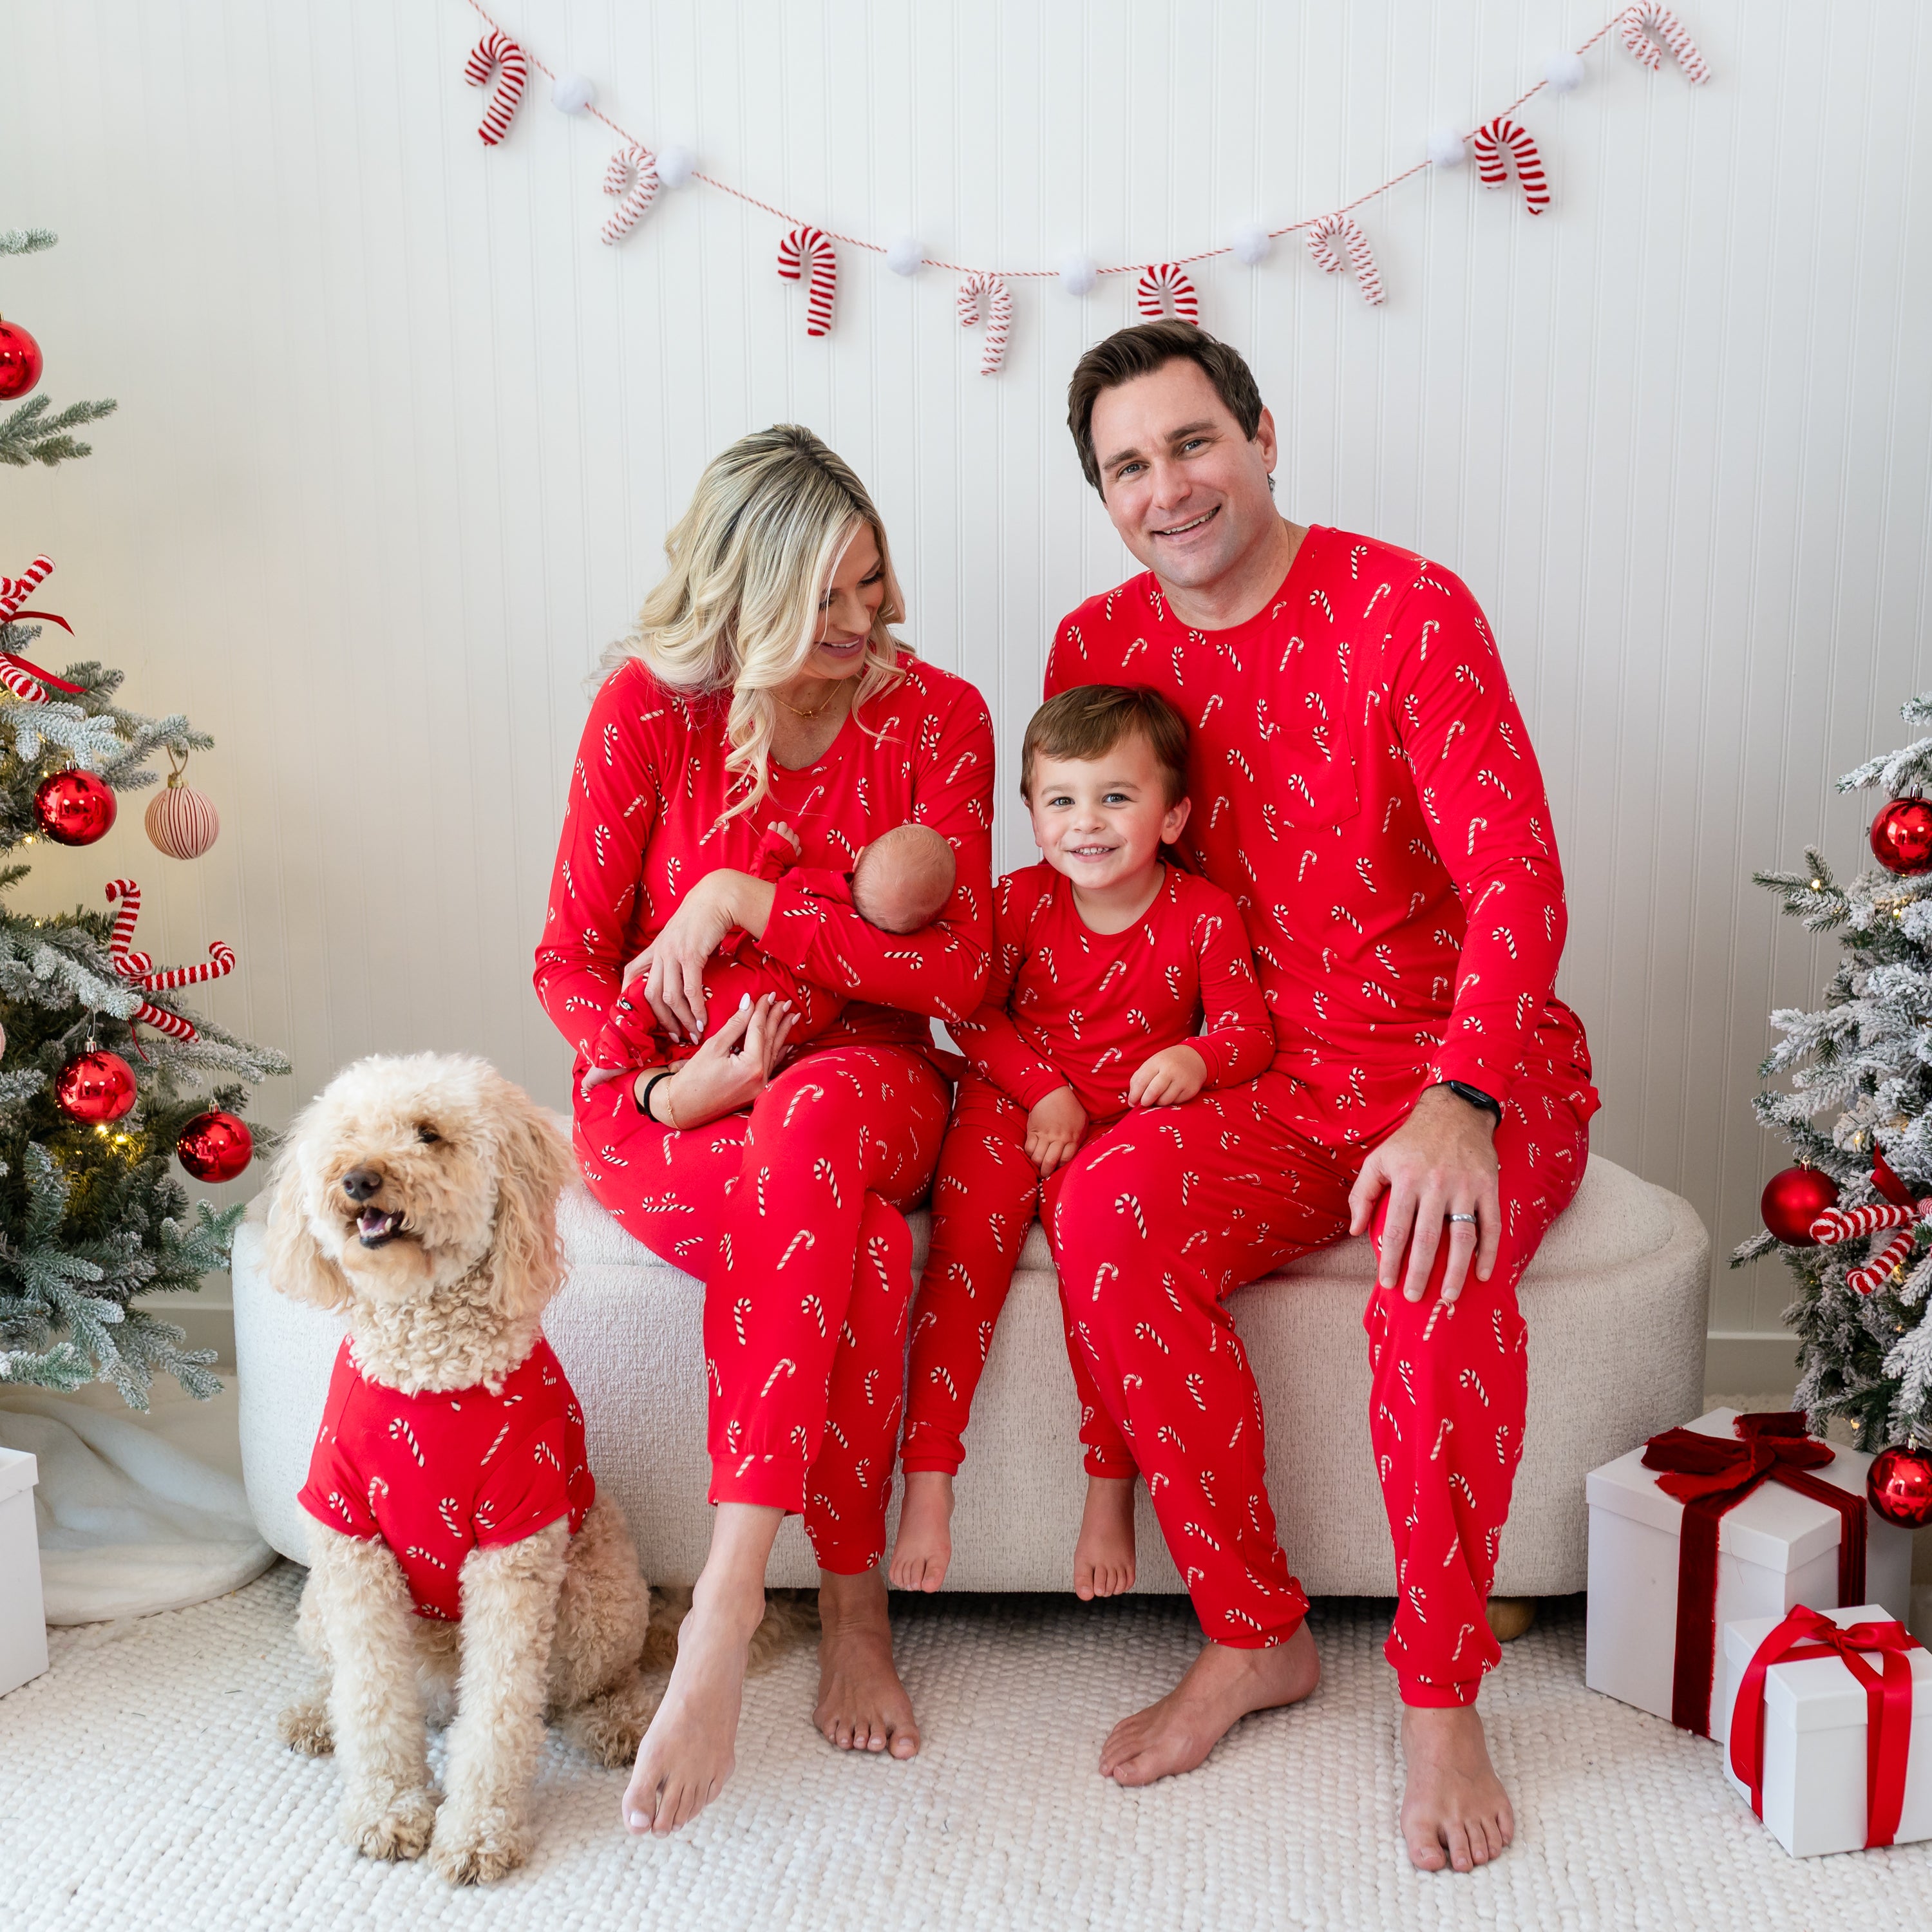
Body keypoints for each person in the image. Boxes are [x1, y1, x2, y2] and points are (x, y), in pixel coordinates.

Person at [1043, 321, 1599, 1875]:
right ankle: (1252, 1628)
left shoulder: (1406, 606)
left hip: (1463, 1061)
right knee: (1106, 1207)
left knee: (1425, 1279)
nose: (1169, 486)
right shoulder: (1092, 644)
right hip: (1267, 1075)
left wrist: (1464, 1093)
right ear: (1103, 497)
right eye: (1128, 466)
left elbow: (1517, 879)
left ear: (1263, 433)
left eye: (1192, 441)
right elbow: (1110, 899)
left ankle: (1437, 1693)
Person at [534, 425, 994, 1835]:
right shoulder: (645, 714)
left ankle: (728, 1605)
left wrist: (744, 897)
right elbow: (566, 961)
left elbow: (965, 976)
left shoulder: (940, 718)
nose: (869, 621)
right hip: (672, 1105)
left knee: (821, 1116)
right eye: (830, 597)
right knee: (842, 1235)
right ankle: (850, 1610)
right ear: (745, 594)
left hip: (871, 1083)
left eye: (875, 583)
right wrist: (672, 1087)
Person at [889, 685, 1273, 1600]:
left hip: (1124, 1128)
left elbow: (1248, 1032)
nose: (1085, 823)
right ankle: (929, 1482)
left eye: (1116, 797)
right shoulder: (1017, 903)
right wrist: (1045, 1090)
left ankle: (1110, 1489)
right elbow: (968, 1013)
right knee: (964, 1260)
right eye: (1060, 800)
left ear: (1172, 813)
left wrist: (1195, 1055)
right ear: (1030, 813)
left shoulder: (1204, 913)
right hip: (1012, 1106)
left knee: (1098, 1278)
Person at [577, 820, 957, 1101]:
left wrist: (773, 853)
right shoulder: (873, 964)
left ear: (857, 858)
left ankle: (615, 1052)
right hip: (754, 1032)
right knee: (703, 1043)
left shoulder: (819, 892)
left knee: (648, 989)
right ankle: (672, 1068)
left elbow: (764, 891)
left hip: (733, 986)